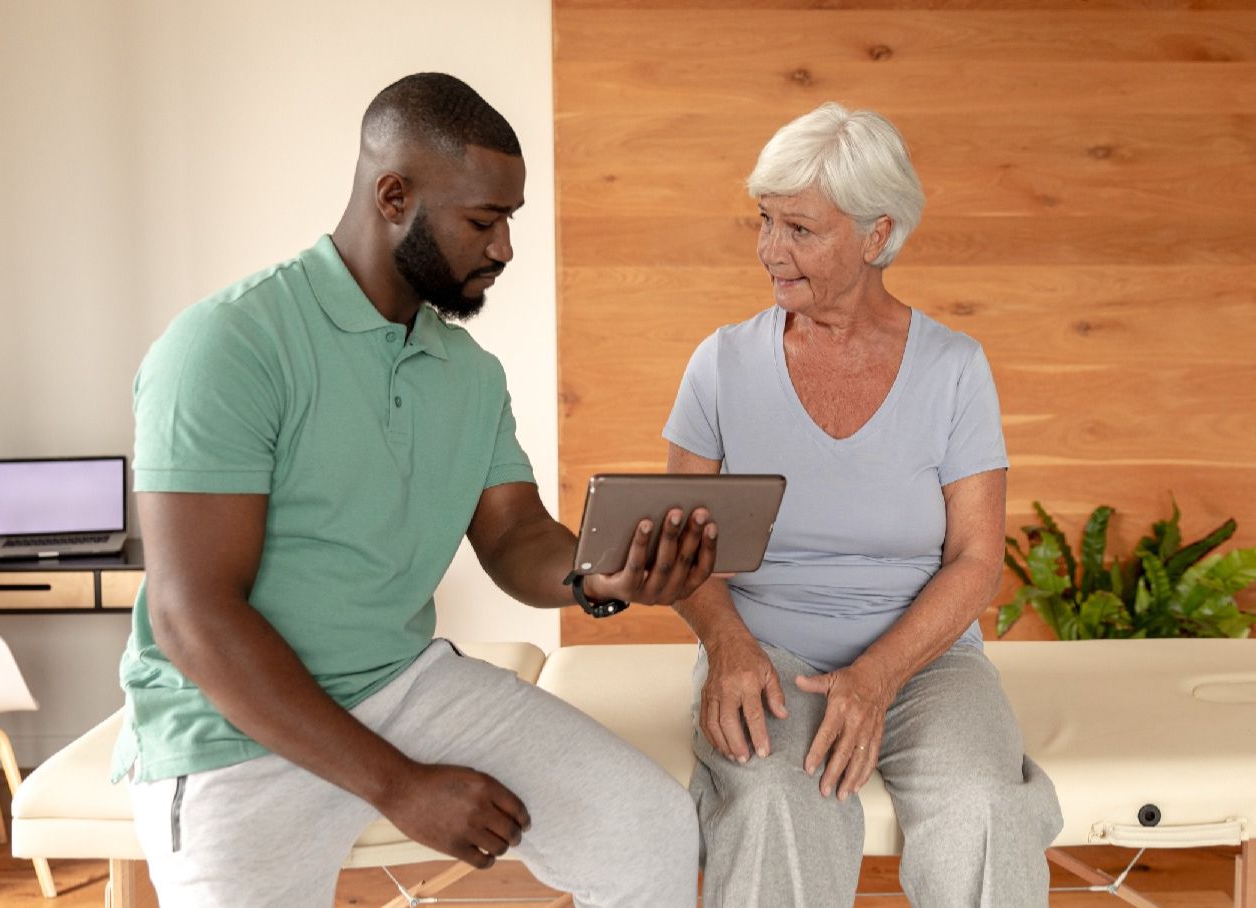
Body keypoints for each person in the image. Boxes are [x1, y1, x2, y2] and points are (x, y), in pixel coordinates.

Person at [112, 72, 714, 908]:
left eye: (509, 221)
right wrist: (399, 785)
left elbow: (513, 537)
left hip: (399, 682)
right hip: (232, 723)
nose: (503, 248)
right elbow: (193, 616)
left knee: (648, 828)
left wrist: (599, 575)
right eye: (482, 220)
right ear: (393, 194)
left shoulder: (467, 373)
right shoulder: (228, 344)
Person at [663, 102, 1063, 907]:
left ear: (878, 236)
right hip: (766, 649)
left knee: (984, 809)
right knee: (774, 798)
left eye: (800, 230)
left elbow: (977, 559)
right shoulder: (722, 364)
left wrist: (875, 678)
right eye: (764, 222)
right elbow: (683, 552)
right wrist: (728, 646)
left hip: (926, 660)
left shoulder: (954, 368)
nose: (770, 251)